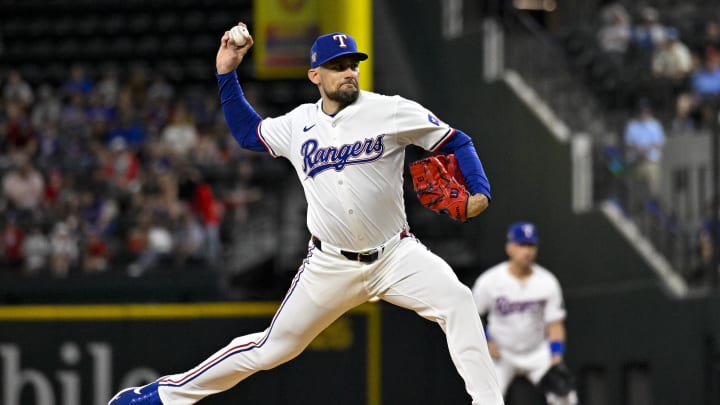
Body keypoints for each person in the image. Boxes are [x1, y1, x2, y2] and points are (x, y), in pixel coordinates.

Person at [108, 26, 504, 405]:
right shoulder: (298, 124)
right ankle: (162, 396)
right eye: (337, 66)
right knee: (270, 349)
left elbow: (456, 140)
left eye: (353, 64)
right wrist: (226, 74)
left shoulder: (391, 110)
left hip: (395, 255)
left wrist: (479, 191)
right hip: (330, 264)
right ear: (315, 74)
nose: (348, 72)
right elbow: (249, 133)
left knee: (458, 300)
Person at [471, 222, 577, 405]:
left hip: (536, 351)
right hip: (502, 353)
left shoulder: (547, 281)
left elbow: (555, 324)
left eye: (531, 245)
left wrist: (556, 356)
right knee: (485, 400)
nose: (526, 251)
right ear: (509, 247)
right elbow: (472, 315)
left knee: (566, 397)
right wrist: (486, 339)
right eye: (521, 245)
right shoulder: (489, 281)